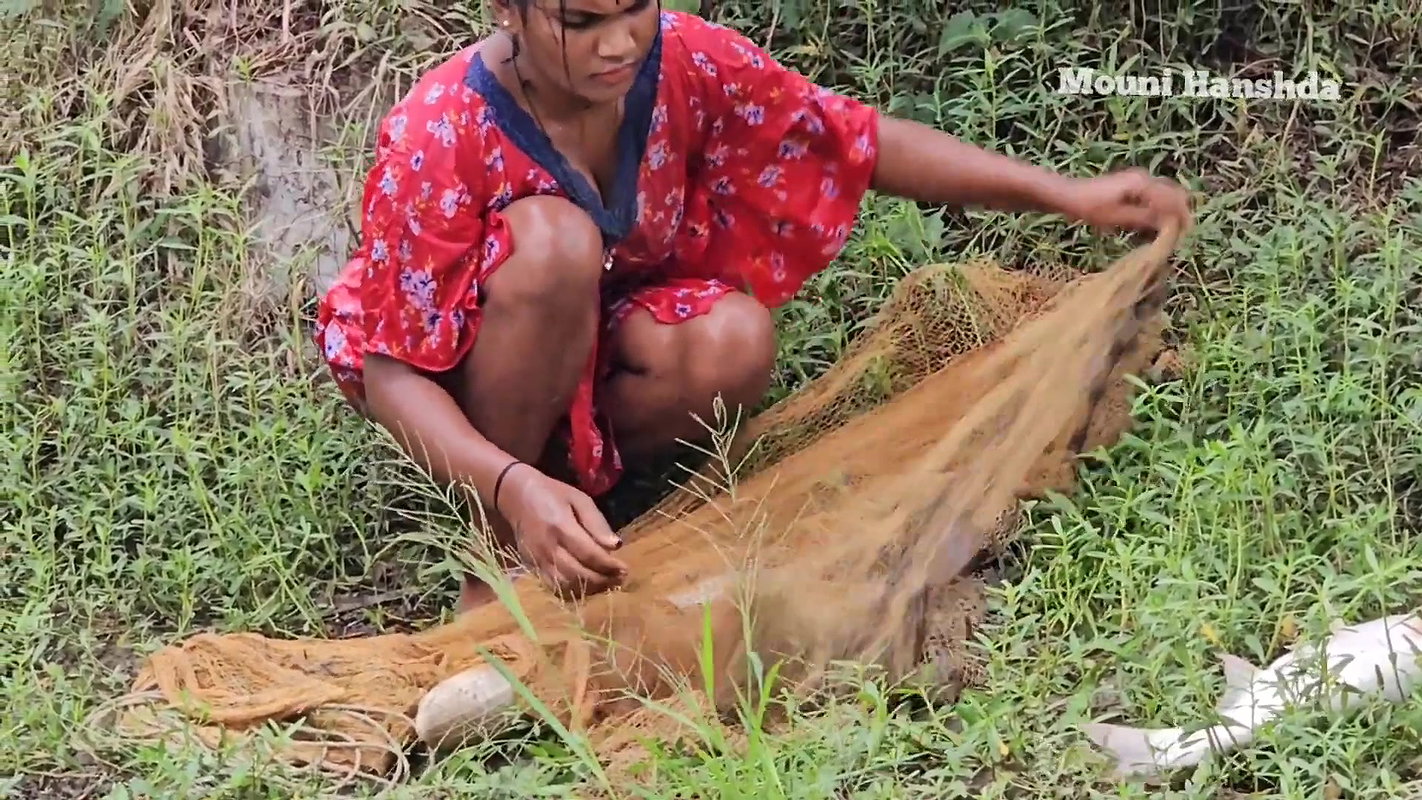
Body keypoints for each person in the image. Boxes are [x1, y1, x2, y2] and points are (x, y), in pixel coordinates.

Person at [313, 1, 1193, 611]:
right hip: (471, 376)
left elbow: (849, 138)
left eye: (634, 10)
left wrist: (1065, 194)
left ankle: (582, 500)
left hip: (598, 357)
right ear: (509, 10)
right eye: (582, 21)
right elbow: (391, 370)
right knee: (553, 245)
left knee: (734, 339)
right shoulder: (442, 130)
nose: (619, 43)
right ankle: (497, 548)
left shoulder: (684, 62)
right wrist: (506, 486)